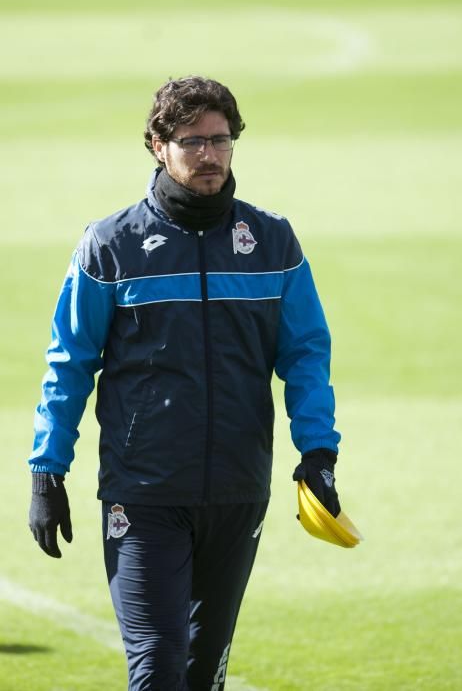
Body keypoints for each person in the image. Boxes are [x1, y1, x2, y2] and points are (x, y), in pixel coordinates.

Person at [28, 76, 342, 691]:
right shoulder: (110, 246)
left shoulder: (272, 241)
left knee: (202, 674)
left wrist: (319, 452)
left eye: (221, 139)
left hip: (237, 490)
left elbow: (305, 353)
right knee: (157, 666)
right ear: (157, 145)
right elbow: (68, 362)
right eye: (192, 140)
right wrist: (48, 469)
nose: (209, 154)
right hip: (143, 494)